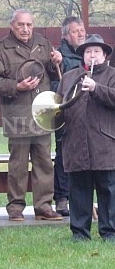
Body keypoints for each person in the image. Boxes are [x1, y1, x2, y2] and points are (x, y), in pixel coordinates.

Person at [0, 9, 63, 222]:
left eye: (29, 25)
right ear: (12, 25)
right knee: (18, 166)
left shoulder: (44, 43)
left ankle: (44, 207)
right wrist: (16, 86)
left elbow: (55, 72)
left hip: (43, 113)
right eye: (21, 25)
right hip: (18, 115)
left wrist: (57, 60)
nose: (25, 29)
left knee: (44, 164)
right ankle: (15, 207)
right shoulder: (0, 49)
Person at [57, 34, 115, 241]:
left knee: (108, 191)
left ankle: (110, 233)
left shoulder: (112, 75)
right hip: (75, 143)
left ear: (104, 55)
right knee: (79, 192)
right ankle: (80, 233)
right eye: (88, 52)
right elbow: (59, 106)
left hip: (105, 144)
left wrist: (96, 88)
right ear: (83, 55)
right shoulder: (69, 77)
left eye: (96, 52)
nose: (92, 56)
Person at [53, 17, 86, 216]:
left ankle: (81, 198)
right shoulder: (59, 57)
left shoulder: (90, 54)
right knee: (64, 154)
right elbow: (56, 85)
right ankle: (62, 198)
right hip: (66, 110)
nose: (81, 34)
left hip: (87, 112)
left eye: (82, 30)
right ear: (65, 36)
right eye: (76, 31)